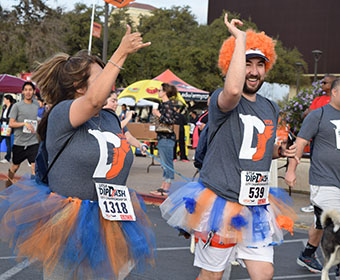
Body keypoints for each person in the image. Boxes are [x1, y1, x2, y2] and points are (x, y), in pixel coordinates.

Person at [0, 26, 155, 279]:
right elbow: (93, 101)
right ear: (79, 87)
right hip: (68, 221)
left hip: (110, 218)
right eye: (101, 76)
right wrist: (121, 53)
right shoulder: (62, 113)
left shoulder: (110, 118)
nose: (110, 80)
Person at [160, 14, 297, 280]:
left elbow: (260, 149)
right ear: (232, 64)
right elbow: (233, 91)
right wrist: (240, 41)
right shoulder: (222, 99)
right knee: (212, 275)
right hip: (220, 201)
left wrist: (279, 152)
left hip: (255, 204)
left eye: (260, 64)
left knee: (264, 272)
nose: (254, 71)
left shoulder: (270, 107)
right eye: (247, 63)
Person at [285, 79, 340, 274]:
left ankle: (307, 255)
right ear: (333, 92)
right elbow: (299, 144)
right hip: (324, 181)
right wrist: (291, 170)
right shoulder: (319, 115)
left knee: (320, 222)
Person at [300, 74, 337, 213]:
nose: (322, 84)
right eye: (322, 82)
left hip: (333, 143)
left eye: (325, 82)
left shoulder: (334, 101)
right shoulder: (319, 99)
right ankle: (314, 201)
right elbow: (308, 114)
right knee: (316, 170)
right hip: (318, 142)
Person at [5, 81, 39, 187]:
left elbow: (39, 119)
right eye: (26, 90)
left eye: (30, 90)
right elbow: (11, 123)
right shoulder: (17, 106)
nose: (28, 92)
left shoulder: (37, 105)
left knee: (34, 167)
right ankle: (8, 183)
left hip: (33, 142)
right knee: (15, 166)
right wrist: (24, 123)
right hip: (19, 142)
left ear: (33, 91)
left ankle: (36, 192)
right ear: (22, 92)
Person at [149, 83, 178, 196]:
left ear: (165, 92)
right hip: (163, 137)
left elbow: (169, 120)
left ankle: (166, 189)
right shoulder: (165, 104)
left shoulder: (167, 105)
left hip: (166, 138)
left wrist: (158, 114)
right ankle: (163, 187)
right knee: (164, 164)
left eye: (160, 90)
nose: (158, 92)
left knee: (167, 164)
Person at [0, 95, 16, 163]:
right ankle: (7, 157)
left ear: (8, 100)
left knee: (8, 142)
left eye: (5, 99)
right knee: (4, 141)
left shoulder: (12, 107)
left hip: (8, 127)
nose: (4, 100)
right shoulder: (4, 107)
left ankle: (8, 157)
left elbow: (11, 118)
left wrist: (4, 119)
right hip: (3, 126)